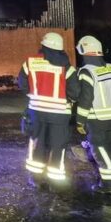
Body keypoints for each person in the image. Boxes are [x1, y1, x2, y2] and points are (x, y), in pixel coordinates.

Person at [18, 31, 79, 189]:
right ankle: (55, 182)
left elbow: (22, 83)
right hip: (60, 114)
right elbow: (75, 91)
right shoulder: (67, 67)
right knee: (57, 146)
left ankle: (36, 179)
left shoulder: (31, 62)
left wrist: (34, 95)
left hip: (37, 111)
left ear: (43, 46)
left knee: (37, 144)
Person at [75, 35, 111, 195]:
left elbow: (86, 98)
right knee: (109, 149)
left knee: (101, 152)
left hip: (97, 119)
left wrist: (80, 121)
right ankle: (110, 182)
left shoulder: (86, 71)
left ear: (84, 50)